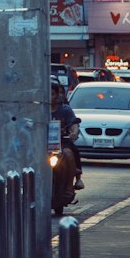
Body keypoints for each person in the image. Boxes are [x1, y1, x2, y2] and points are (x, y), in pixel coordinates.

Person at [49, 81, 80, 215]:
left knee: (68, 153)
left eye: (52, 94)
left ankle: (69, 187)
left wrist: (73, 132)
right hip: (41, 146)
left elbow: (74, 124)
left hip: (62, 144)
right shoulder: (38, 109)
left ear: (57, 95)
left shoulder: (65, 110)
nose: (49, 97)